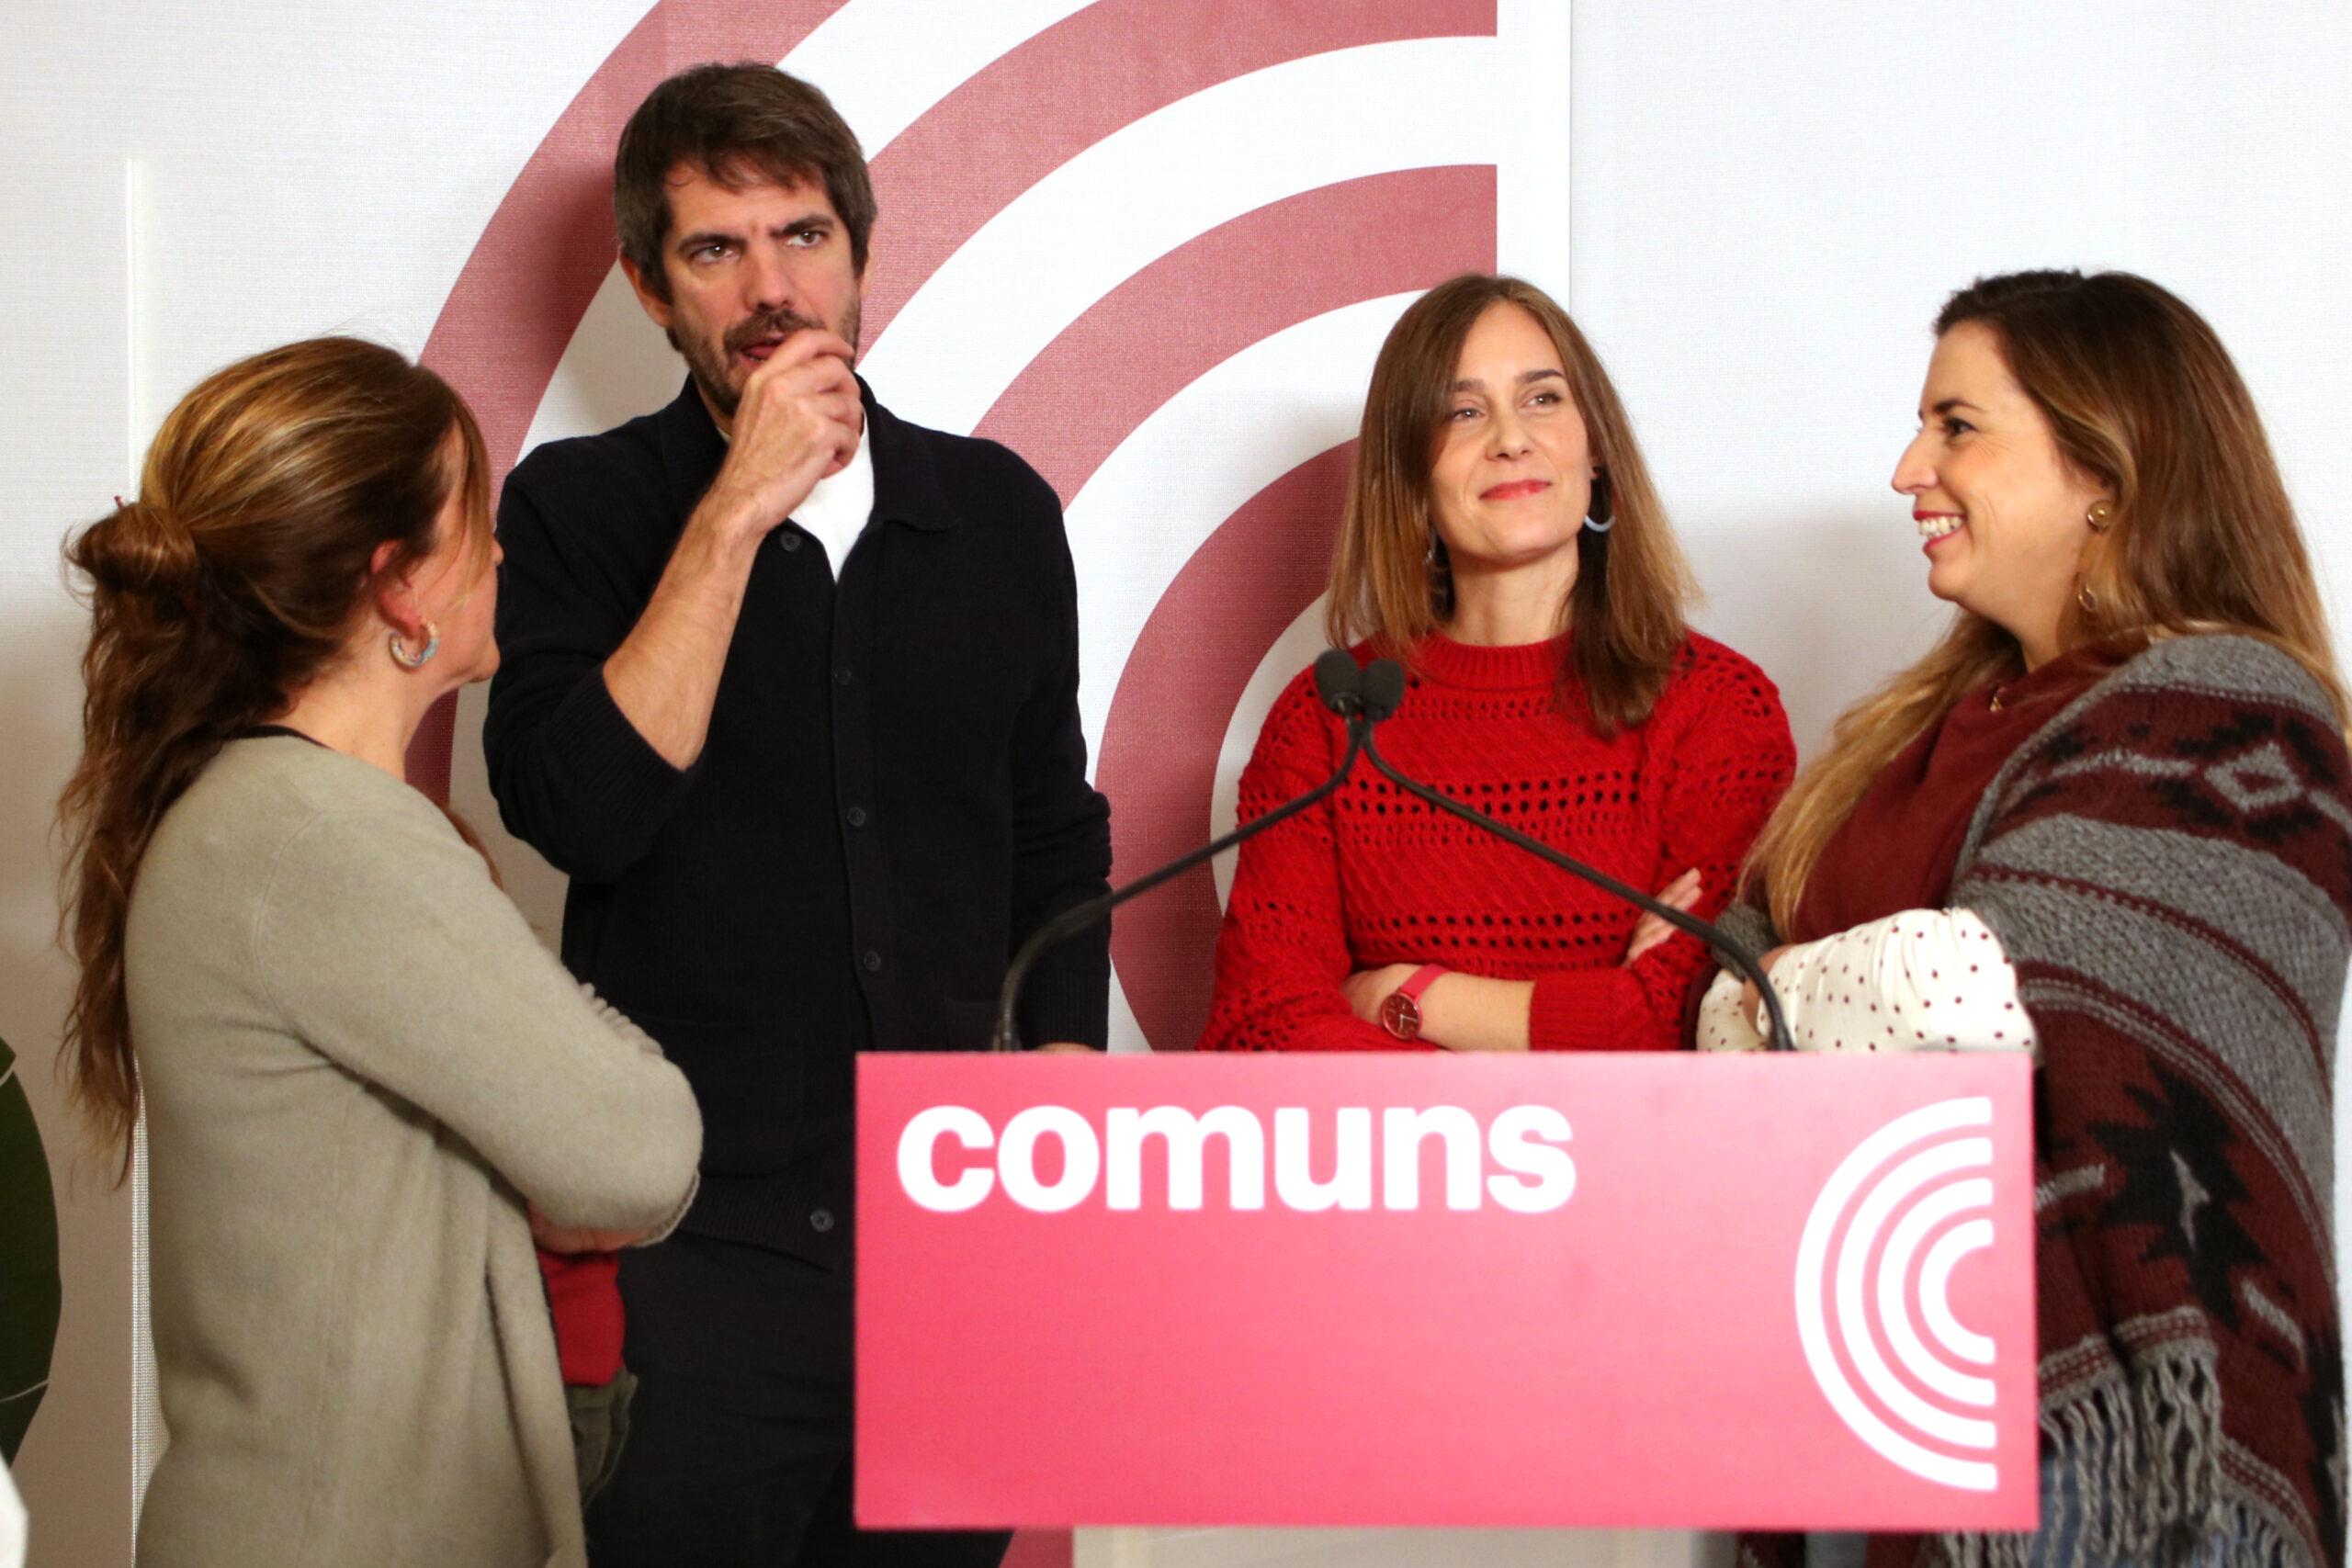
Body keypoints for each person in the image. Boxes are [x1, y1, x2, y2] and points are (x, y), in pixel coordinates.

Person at [483, 62, 1112, 1567]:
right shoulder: (578, 508)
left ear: (862, 249)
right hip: (690, 1253)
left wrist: (1063, 1090)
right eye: (718, 248)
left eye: (804, 236)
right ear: (650, 287)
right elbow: (583, 814)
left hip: (953, 1233)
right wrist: (734, 510)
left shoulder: (998, 512)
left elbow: (1051, 828)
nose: (772, 287)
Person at [1702, 271, 2347, 1568]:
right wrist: (1761, 986)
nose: (1909, 470)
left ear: (2105, 469)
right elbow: (1729, 1000)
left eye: (1957, 425)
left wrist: (1765, 988)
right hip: (1858, 1379)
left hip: (2119, 1445)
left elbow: (1960, 990)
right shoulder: (1914, 739)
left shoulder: (2231, 709)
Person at [53, 337, 703, 1566]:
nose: (501, 556)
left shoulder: (268, 813)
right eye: (477, 523)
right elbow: (638, 1148)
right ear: (401, 588)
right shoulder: (325, 836)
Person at [1197, 274, 1793, 1055]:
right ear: (1410, 474)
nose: (1511, 438)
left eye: (1543, 398)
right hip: (1405, 1146)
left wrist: (1411, 997)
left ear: (1597, 449)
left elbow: (1686, 1022)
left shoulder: (1717, 710)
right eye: (1464, 411)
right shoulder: (1327, 720)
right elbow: (1261, 1029)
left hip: (1629, 1144)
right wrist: (1592, 1012)